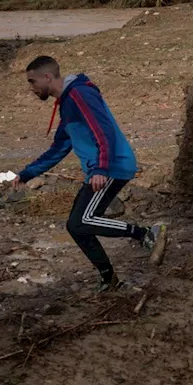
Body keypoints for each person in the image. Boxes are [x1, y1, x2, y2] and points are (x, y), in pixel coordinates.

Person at [11, 56, 167, 292]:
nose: (31, 88)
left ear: (47, 77)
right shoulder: (67, 103)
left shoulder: (80, 94)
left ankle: (146, 233)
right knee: (76, 226)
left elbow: (103, 130)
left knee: (82, 220)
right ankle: (109, 278)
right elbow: (59, 148)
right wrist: (26, 174)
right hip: (100, 170)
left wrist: (101, 168)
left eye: (32, 82)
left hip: (112, 167)